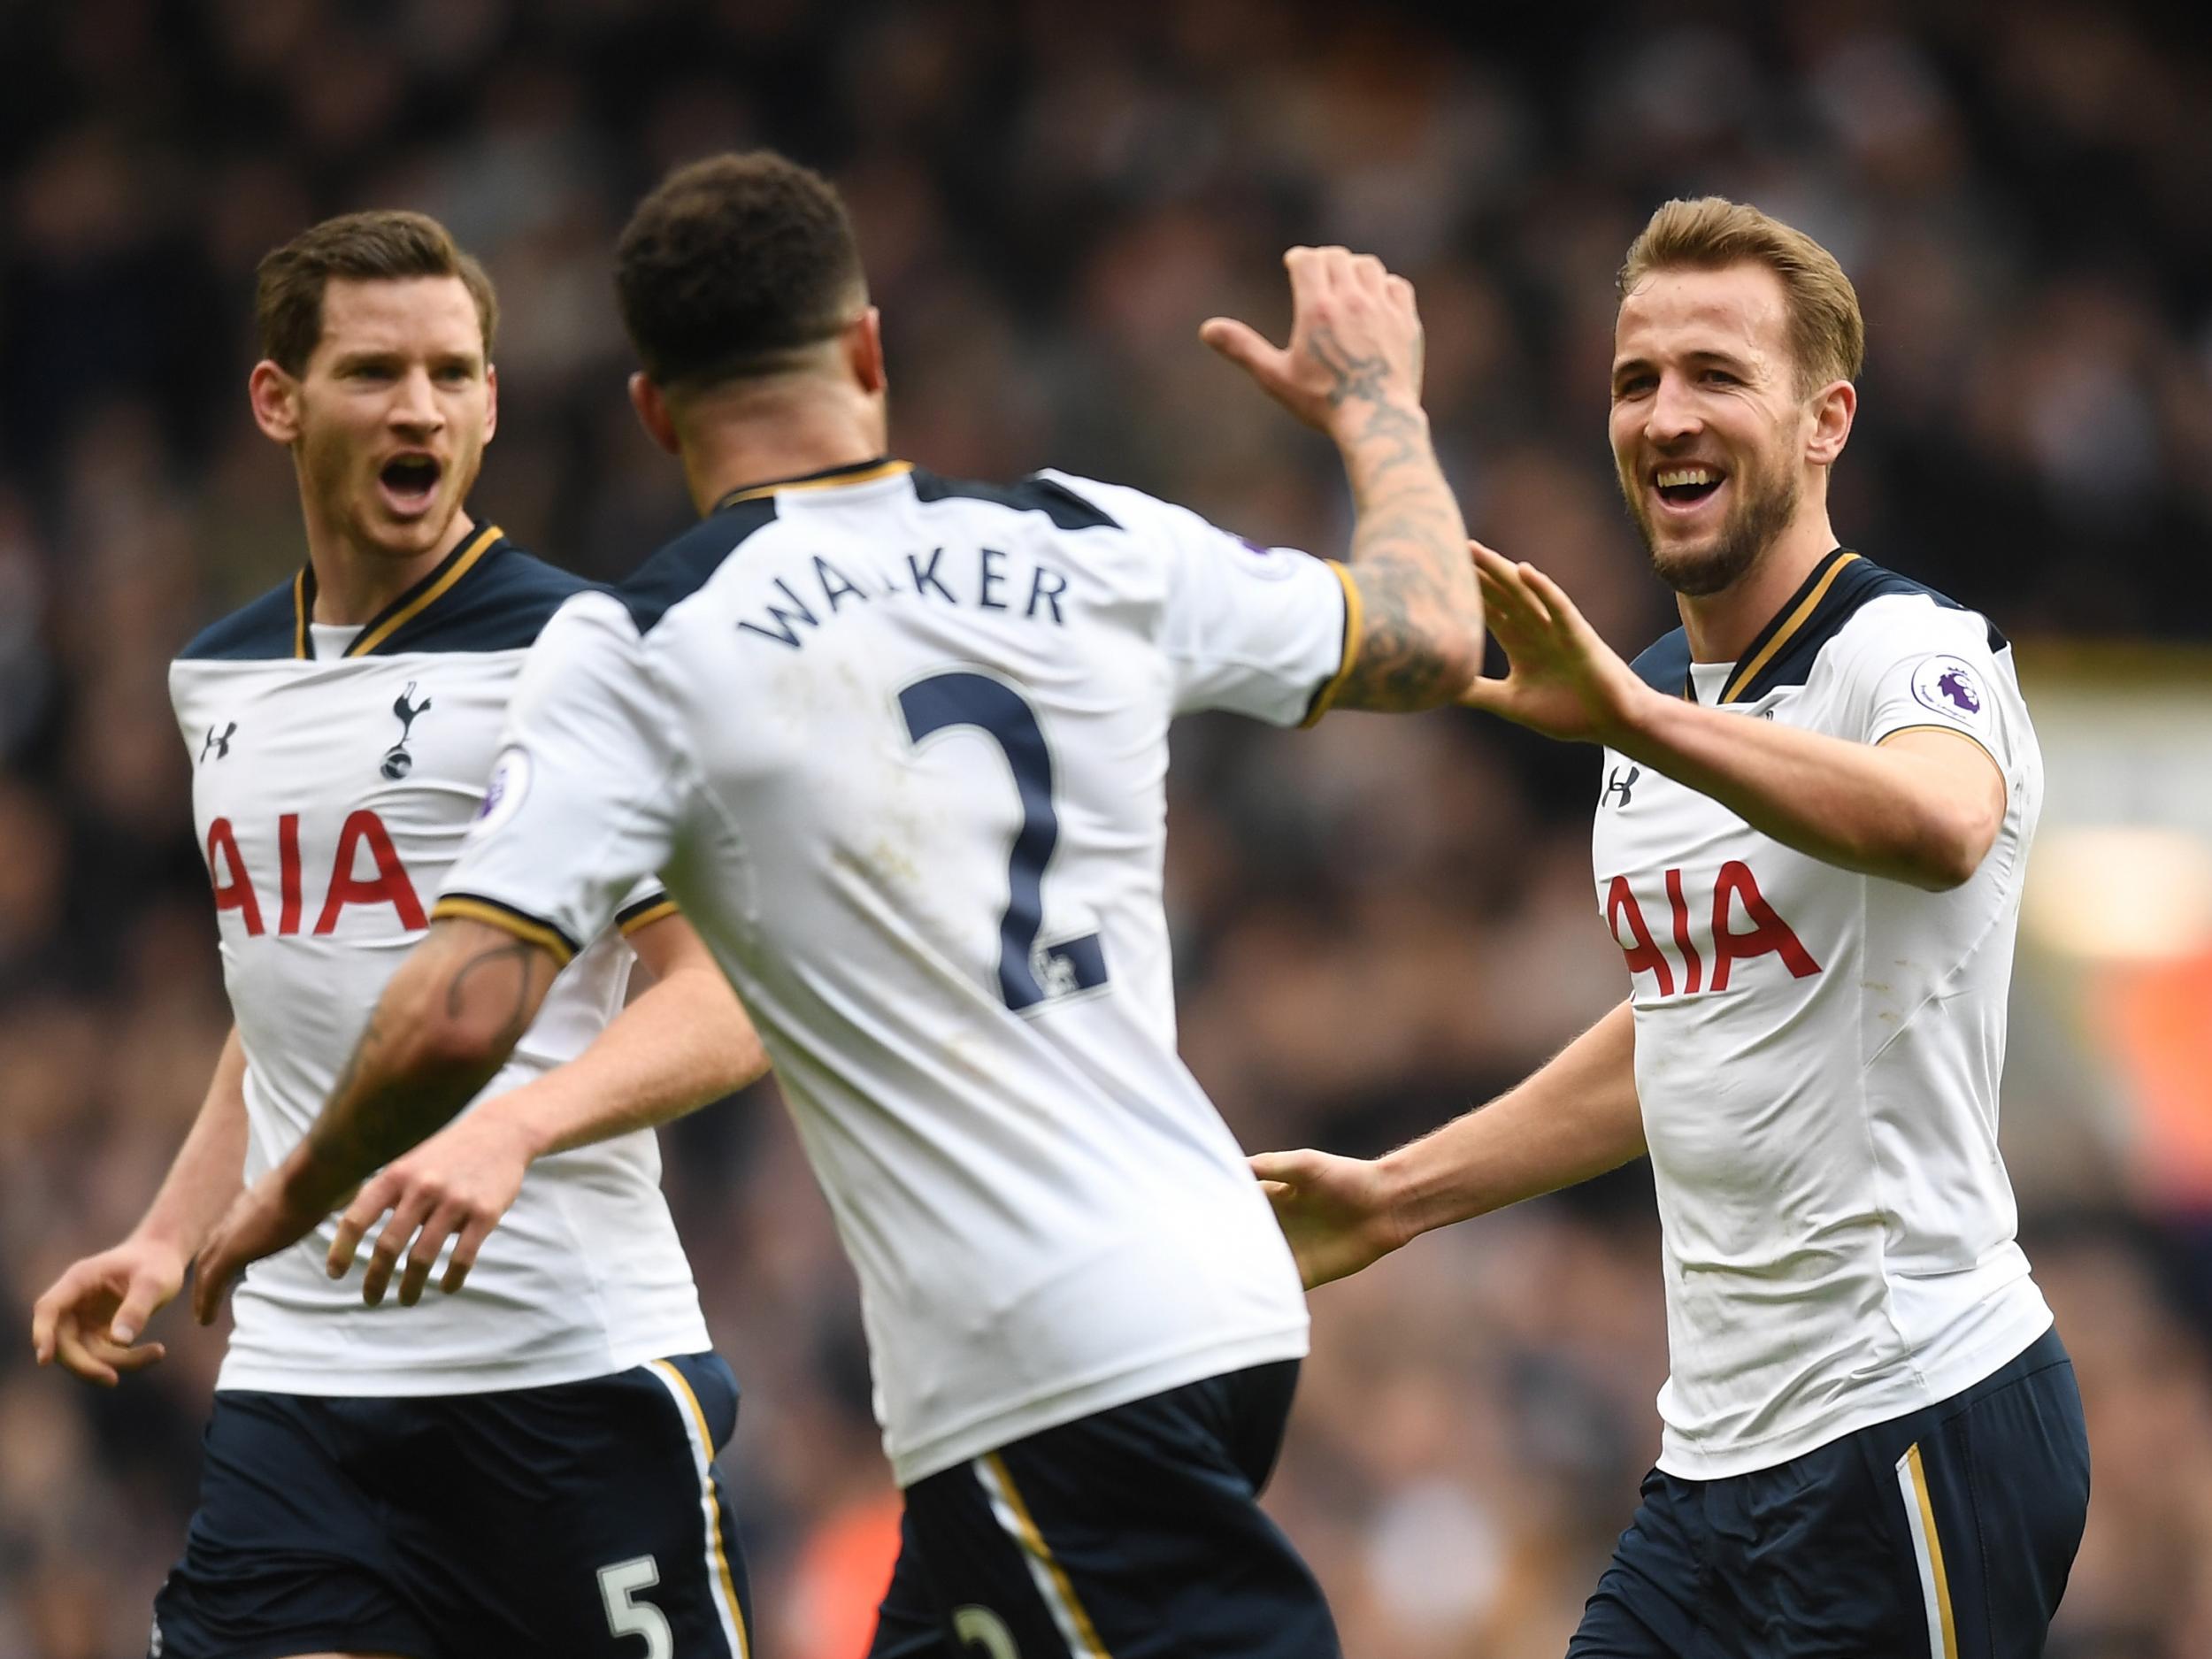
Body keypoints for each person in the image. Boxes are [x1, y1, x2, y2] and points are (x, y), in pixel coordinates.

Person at [188, 150, 1486, 1656]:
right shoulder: (1085, 535)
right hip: (1217, 1291)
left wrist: (293, 1189)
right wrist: (1374, 404)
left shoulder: (649, 642)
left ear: (654, 411)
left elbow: (464, 1001)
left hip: (1040, 1354)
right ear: (870, 350)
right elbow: (1431, 632)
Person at [1254, 197, 2092, 1657]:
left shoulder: (1905, 647)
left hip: (1915, 1418)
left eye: (1717, 374)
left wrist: (1639, 714)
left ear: (1826, 419)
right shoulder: (1646, 707)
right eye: (1638, 380)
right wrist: (1399, 1195)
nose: (1666, 414)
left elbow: (1943, 821)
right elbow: (1682, 1023)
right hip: (1716, 1462)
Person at [28, 211, 770, 1659]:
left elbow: (727, 998)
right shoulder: (217, 675)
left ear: (492, 402)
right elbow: (297, 986)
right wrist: (173, 1234)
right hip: (306, 1385)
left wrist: (519, 1126)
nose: (419, 405)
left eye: (451, 371)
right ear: (277, 400)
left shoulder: (581, 659)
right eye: (374, 371)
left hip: (561, 1370)